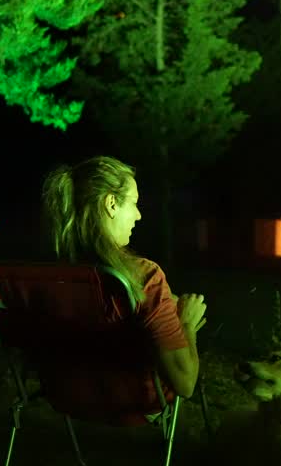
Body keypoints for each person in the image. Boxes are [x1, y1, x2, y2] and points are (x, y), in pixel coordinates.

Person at [41, 155, 207, 400]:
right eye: (134, 203)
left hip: (70, 397)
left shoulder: (53, 276)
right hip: (132, 402)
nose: (138, 216)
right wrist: (186, 324)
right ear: (111, 204)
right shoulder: (145, 277)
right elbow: (185, 384)